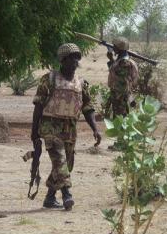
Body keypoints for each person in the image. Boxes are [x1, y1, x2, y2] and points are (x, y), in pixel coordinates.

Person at [31, 43, 101, 210]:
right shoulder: (49, 79)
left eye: (77, 58)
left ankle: (49, 197)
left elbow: (87, 107)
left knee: (66, 164)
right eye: (71, 58)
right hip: (50, 126)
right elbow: (39, 105)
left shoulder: (81, 83)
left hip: (70, 128)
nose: (74, 62)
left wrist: (95, 129)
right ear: (62, 60)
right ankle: (67, 195)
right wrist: (34, 132)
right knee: (60, 160)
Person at [106, 37, 139, 118]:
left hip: (120, 98)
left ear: (119, 48)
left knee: (120, 121)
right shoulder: (121, 61)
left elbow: (121, 83)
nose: (113, 48)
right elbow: (114, 71)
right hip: (119, 97)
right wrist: (111, 58)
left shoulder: (125, 63)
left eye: (114, 46)